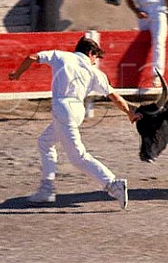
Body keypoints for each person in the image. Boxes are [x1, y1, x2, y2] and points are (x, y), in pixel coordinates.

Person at [8, 36, 139, 209]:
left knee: (78, 157)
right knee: (45, 142)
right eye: (96, 57)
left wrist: (17, 74)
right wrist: (129, 112)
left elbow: (31, 57)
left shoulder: (60, 56)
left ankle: (113, 184)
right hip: (77, 110)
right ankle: (46, 189)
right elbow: (114, 96)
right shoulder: (95, 73)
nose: (95, 62)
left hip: (63, 108)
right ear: (90, 53)